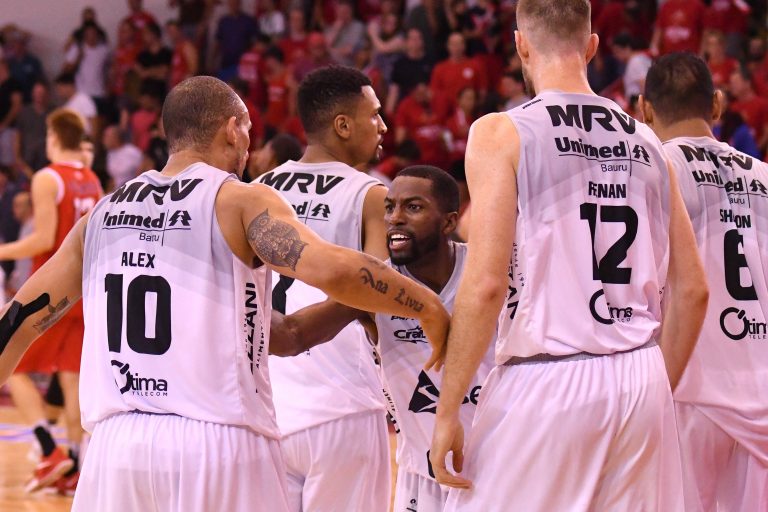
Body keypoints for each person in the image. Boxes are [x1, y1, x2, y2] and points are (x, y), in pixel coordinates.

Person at [0, 75, 449, 511]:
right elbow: (334, 270)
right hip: (215, 442)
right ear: (232, 129)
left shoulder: (101, 215)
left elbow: (20, 319)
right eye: (248, 131)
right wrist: (426, 305)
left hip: (116, 448)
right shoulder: (238, 200)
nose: (249, 146)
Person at [429, 1, 709, 510]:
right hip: (641, 372)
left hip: (550, 375)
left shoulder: (502, 132)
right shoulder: (649, 141)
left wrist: (448, 408)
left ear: (520, 45)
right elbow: (692, 290)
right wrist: (653, 389)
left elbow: (486, 284)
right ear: (592, 46)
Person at [279, 167, 494, 511]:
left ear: (449, 222)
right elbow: (294, 335)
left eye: (413, 207)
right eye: (390, 207)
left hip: (499, 467)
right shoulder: (376, 287)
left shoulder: (488, 272)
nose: (395, 218)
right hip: (422, 477)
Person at [255, 65, 392, 511]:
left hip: (267, 411)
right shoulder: (370, 195)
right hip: (342, 407)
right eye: (374, 114)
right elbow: (381, 300)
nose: (383, 126)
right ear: (343, 125)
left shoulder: (255, 190)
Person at [640, 52, 768, 512]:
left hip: (687, 386)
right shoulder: (765, 177)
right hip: (761, 390)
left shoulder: (652, 170)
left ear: (645, 110)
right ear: (716, 104)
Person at [0, 108, 103, 495]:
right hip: (84, 289)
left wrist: (2, 250)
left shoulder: (47, 177)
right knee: (71, 378)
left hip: (50, 290)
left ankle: (48, 449)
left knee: (14, 365)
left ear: (55, 136)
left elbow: (44, 239)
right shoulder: (91, 178)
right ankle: (75, 461)